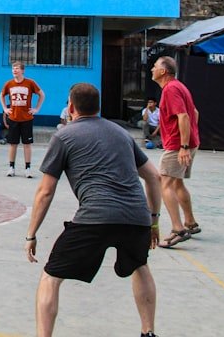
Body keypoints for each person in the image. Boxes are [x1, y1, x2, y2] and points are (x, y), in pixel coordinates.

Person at [25, 83, 162, 337]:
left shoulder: (64, 136)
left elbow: (45, 191)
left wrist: (31, 234)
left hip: (94, 217)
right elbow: (154, 177)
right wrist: (153, 222)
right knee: (139, 265)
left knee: (51, 277)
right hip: (136, 216)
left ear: (70, 107)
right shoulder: (121, 133)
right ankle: (148, 332)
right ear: (98, 107)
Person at [151, 56, 201, 248]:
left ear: (163, 71)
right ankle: (190, 222)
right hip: (187, 142)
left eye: (155, 67)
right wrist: (191, 139)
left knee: (165, 183)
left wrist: (183, 146)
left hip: (177, 145)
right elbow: (194, 113)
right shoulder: (179, 86)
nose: (152, 70)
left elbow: (184, 116)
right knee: (177, 182)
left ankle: (177, 229)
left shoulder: (171, 89)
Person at [0, 61, 45, 178]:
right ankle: (11, 167)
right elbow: (1, 95)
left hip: (27, 118)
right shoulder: (9, 84)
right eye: (13, 68)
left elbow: (42, 94)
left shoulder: (30, 83)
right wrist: (5, 108)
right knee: (13, 144)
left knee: (27, 144)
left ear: (22, 70)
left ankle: (28, 168)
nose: (14, 70)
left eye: (17, 68)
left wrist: (37, 108)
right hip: (13, 118)